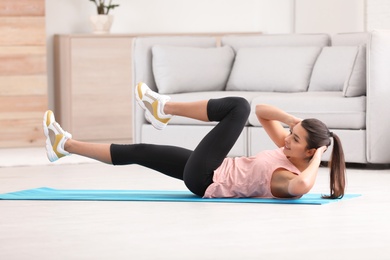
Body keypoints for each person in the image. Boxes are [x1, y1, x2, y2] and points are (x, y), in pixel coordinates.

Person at [43, 82, 346, 199]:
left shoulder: (287, 176)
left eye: (294, 139)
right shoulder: (288, 150)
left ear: (310, 152)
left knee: (236, 107)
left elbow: (302, 187)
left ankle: (163, 108)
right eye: (290, 135)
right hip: (209, 170)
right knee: (141, 151)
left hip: (206, 176)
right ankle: (65, 145)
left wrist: (319, 154)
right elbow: (262, 112)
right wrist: (294, 121)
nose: (286, 140)